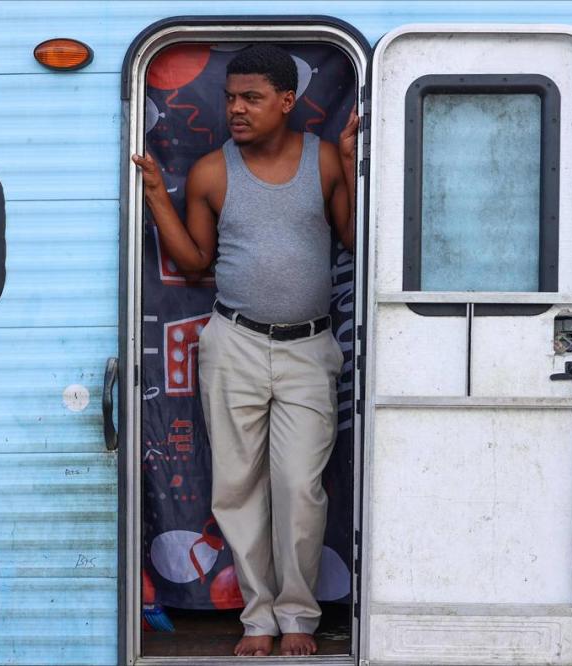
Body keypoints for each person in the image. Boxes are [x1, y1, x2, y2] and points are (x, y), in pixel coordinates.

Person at [133, 44, 358, 657]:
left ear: (287, 102)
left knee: (298, 487)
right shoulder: (211, 171)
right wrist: (157, 192)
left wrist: (350, 157)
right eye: (231, 97)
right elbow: (196, 265)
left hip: (309, 348)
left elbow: (352, 237)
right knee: (235, 486)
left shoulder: (324, 164)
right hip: (232, 342)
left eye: (252, 98)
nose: (236, 108)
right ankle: (259, 618)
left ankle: (299, 616)